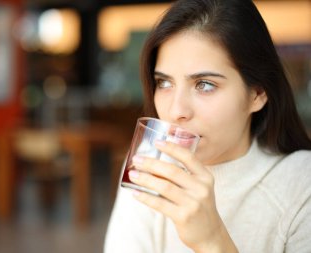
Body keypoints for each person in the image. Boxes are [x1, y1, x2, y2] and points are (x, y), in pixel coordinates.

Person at [104, 0, 311, 252]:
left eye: (204, 84)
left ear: (256, 93)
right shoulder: (150, 166)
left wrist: (212, 241)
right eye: (164, 83)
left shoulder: (301, 186)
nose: (176, 111)